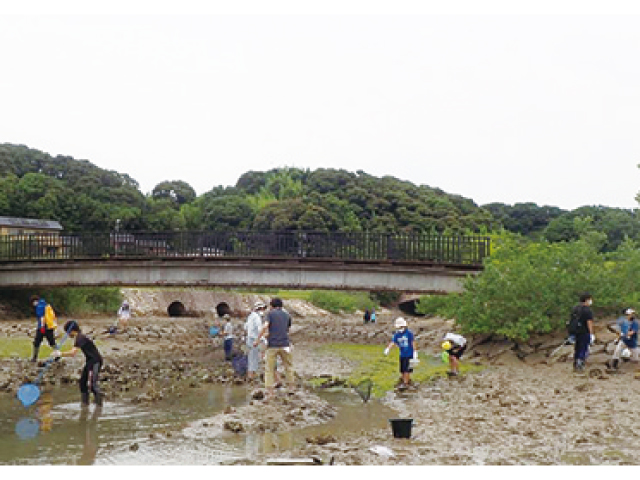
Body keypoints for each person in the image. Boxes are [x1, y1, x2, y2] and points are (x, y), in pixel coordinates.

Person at [254, 297, 294, 399]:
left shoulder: (270, 314)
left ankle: (270, 392)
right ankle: (291, 388)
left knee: (269, 368)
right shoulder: (287, 315)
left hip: (273, 345)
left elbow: (265, 326)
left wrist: (258, 339)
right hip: (285, 344)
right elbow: (287, 329)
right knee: (288, 366)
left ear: (272, 306)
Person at [57, 321, 104, 407]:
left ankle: (99, 406)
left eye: (67, 333)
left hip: (95, 361)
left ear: (71, 331)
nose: (67, 335)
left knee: (93, 385)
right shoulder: (79, 337)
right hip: (89, 361)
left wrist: (60, 354)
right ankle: (85, 404)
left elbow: (73, 353)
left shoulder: (80, 338)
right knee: (82, 382)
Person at [384, 317, 418, 388]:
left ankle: (406, 383)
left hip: (409, 354)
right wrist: (388, 348)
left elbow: (413, 342)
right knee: (402, 370)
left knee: (407, 370)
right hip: (402, 354)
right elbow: (393, 342)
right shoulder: (397, 334)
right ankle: (404, 380)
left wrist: (415, 351)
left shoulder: (409, 333)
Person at [29, 295, 60, 362]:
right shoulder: (46, 305)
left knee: (36, 342)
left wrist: (42, 327)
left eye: (33, 303)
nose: (33, 305)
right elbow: (53, 316)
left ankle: (34, 357)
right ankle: (58, 355)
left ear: (35, 301)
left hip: (42, 327)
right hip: (50, 327)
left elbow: (42, 317)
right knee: (52, 342)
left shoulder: (39, 307)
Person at [571, 292, 596, 372]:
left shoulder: (575, 308)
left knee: (577, 348)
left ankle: (575, 364)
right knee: (583, 348)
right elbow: (589, 322)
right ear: (587, 300)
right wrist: (591, 333)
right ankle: (580, 364)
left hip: (576, 331)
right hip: (584, 331)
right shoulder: (587, 310)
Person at [245, 301, 267, 380]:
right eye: (263, 309)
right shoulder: (257, 317)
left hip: (249, 339)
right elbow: (259, 329)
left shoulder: (250, 316)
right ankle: (256, 376)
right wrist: (263, 339)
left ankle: (250, 376)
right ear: (260, 308)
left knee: (251, 359)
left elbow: (246, 327)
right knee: (258, 358)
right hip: (255, 340)